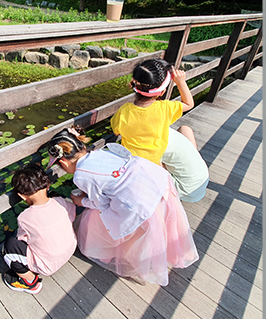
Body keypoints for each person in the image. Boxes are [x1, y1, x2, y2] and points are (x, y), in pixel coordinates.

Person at [47, 126, 199, 286]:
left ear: (63, 162)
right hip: (154, 183)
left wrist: (81, 202)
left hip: (137, 202)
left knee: (95, 220)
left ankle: (102, 251)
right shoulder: (99, 153)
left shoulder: (80, 176)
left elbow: (101, 204)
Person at [110, 58, 208, 202]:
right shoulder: (165, 108)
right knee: (185, 129)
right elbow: (188, 103)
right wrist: (181, 82)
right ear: (161, 92)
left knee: (156, 160)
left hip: (185, 190)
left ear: (133, 84)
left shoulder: (124, 111)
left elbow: (116, 132)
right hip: (200, 178)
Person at [2, 163, 77, 294]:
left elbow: (21, 239)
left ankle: (31, 282)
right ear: (47, 185)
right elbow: (72, 215)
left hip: (48, 265)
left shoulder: (25, 217)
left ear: (22, 196)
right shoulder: (60, 201)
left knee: (9, 248)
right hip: (70, 249)